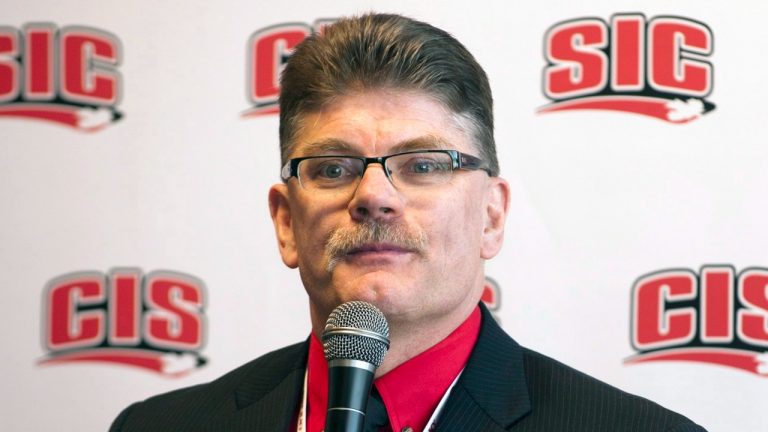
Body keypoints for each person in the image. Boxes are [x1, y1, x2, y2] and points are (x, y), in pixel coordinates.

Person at [110, 13, 707, 432]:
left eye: (423, 164)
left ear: (491, 217)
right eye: (333, 167)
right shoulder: (158, 427)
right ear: (287, 222)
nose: (374, 195)